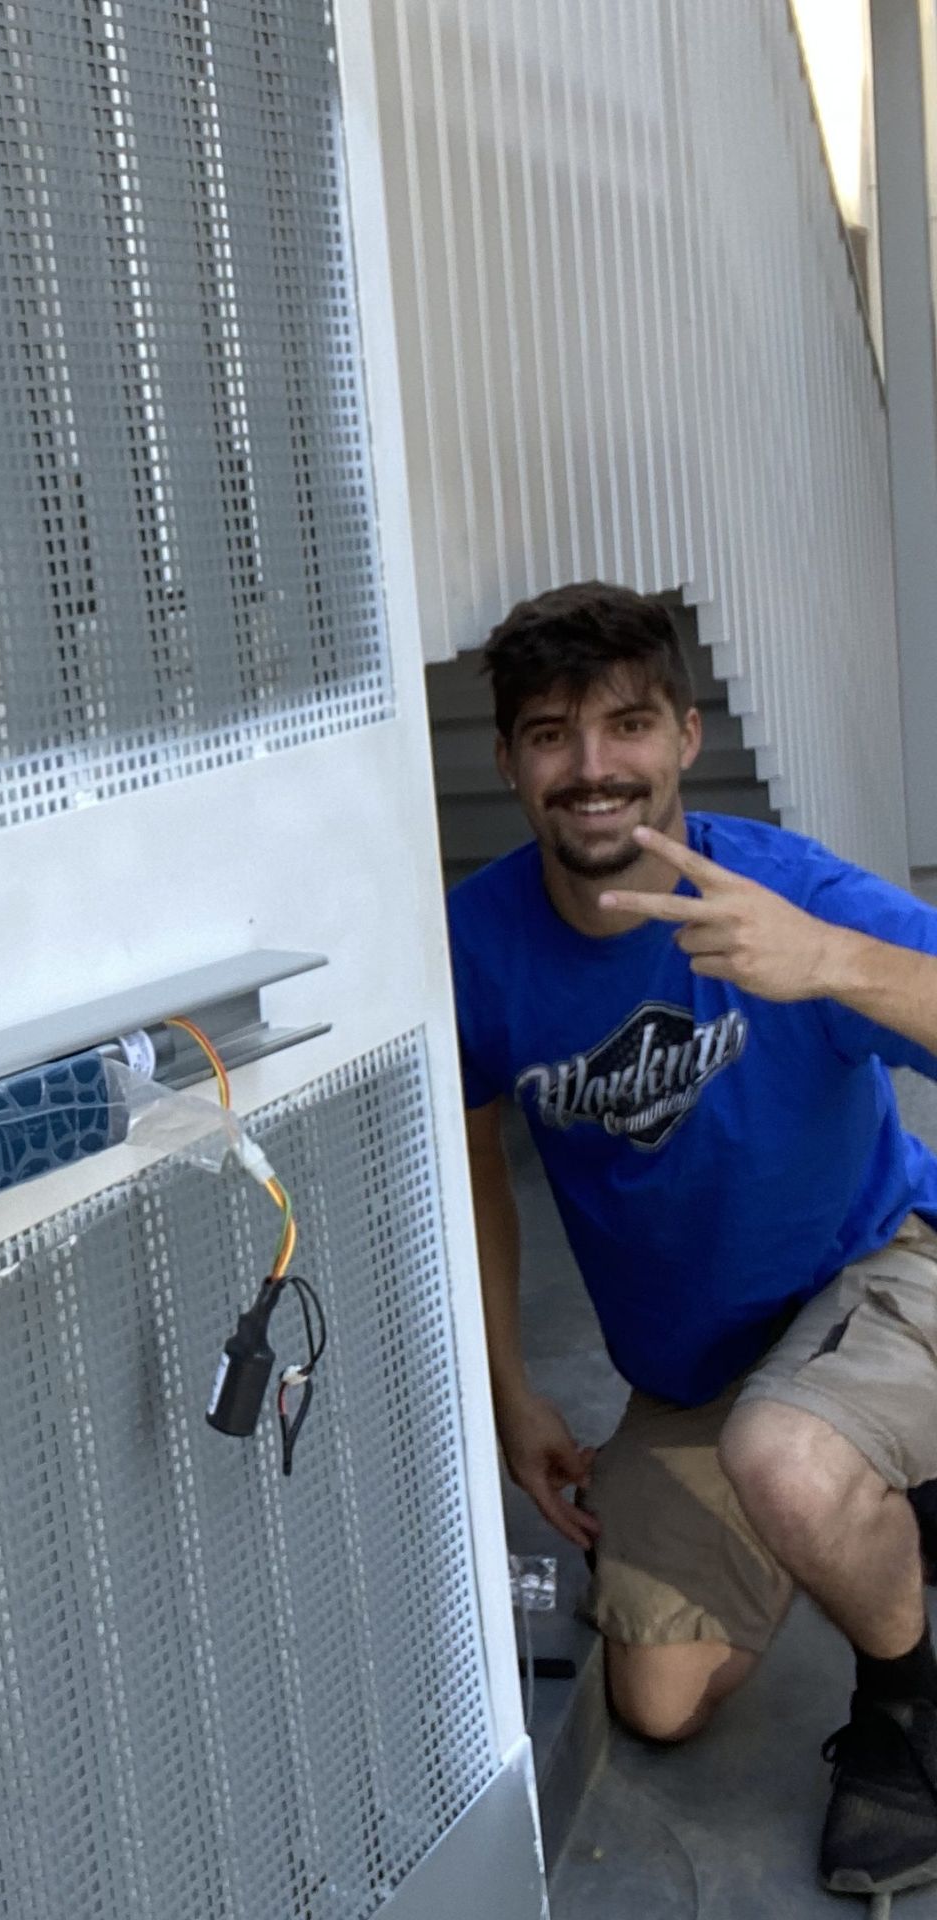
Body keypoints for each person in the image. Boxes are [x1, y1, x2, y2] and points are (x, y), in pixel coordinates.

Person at [449, 581, 937, 1898]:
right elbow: (475, 1166)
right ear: (508, 762)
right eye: (552, 734)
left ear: (685, 735)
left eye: (626, 725)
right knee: (661, 1698)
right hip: (702, 1365)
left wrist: (827, 962)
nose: (593, 767)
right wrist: (511, 1395)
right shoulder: (478, 944)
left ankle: (910, 1709)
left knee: (789, 1454)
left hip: (886, 1262)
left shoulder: (784, 893)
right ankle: (877, 1502)